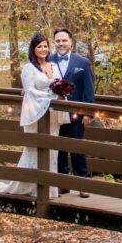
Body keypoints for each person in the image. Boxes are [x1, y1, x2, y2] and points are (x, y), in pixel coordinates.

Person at [0, 32, 68, 198]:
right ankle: (29, 185)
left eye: (45, 46)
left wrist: (61, 92)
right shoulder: (28, 68)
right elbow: (30, 91)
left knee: (52, 150)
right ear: (33, 49)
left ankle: (49, 188)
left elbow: (59, 85)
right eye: (39, 46)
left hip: (52, 116)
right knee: (34, 149)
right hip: (37, 114)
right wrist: (50, 96)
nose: (43, 49)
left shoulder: (53, 66)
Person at [49, 28, 95, 198]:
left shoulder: (82, 63)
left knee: (77, 147)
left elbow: (89, 90)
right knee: (59, 148)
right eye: (58, 41)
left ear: (71, 43)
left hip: (76, 114)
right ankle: (62, 184)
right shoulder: (48, 60)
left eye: (64, 41)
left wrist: (88, 113)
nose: (61, 44)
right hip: (56, 113)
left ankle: (82, 182)